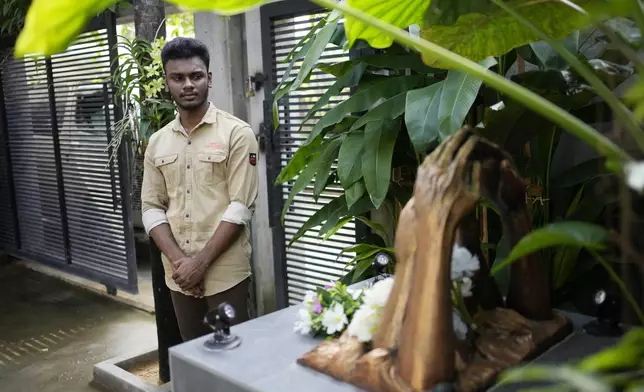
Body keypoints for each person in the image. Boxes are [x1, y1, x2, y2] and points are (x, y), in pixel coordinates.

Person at [141, 37, 259, 342]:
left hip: (225, 274)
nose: (188, 84)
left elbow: (241, 207)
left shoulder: (236, 133)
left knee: (234, 359)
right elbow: (152, 208)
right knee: (194, 357)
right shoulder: (158, 142)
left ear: (209, 78)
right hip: (179, 276)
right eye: (178, 78)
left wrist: (200, 264)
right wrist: (182, 264)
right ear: (167, 82)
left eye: (196, 75)